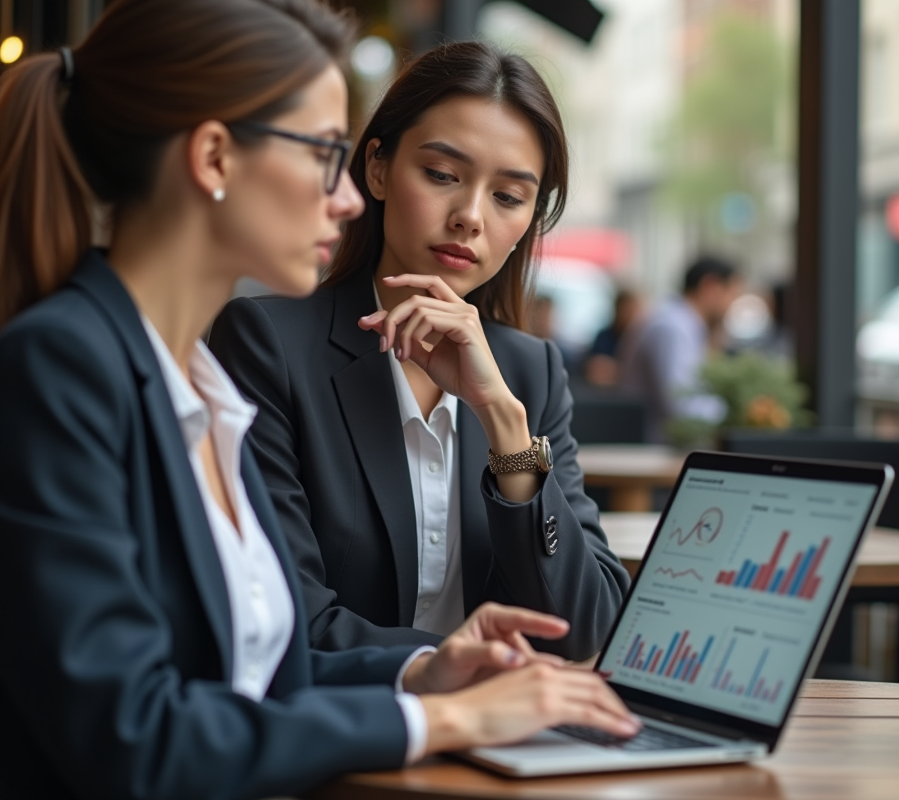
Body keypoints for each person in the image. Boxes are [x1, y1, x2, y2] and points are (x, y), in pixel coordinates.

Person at [0, 2, 638, 797]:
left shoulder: (192, 381)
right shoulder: (75, 362)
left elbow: (265, 662)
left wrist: (430, 670)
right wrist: (445, 717)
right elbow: (134, 729)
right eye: (322, 154)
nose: (342, 198)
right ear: (213, 158)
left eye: (511, 196)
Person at [208, 41, 628, 659]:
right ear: (377, 168)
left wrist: (506, 427)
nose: (470, 217)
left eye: (508, 197)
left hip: (504, 741)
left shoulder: (529, 373)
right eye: (441, 175)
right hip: (355, 734)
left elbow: (586, 626)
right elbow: (283, 616)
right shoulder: (268, 344)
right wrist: (452, 672)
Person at [620, 256, 742, 442]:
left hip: (662, 449)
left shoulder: (681, 322)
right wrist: (739, 415)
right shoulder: (673, 327)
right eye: (732, 295)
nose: (731, 306)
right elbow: (682, 405)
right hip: (655, 455)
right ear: (710, 286)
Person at [584, 288, 642, 387]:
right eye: (625, 309)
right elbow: (595, 368)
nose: (627, 314)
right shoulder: (604, 336)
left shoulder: (637, 338)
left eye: (632, 310)